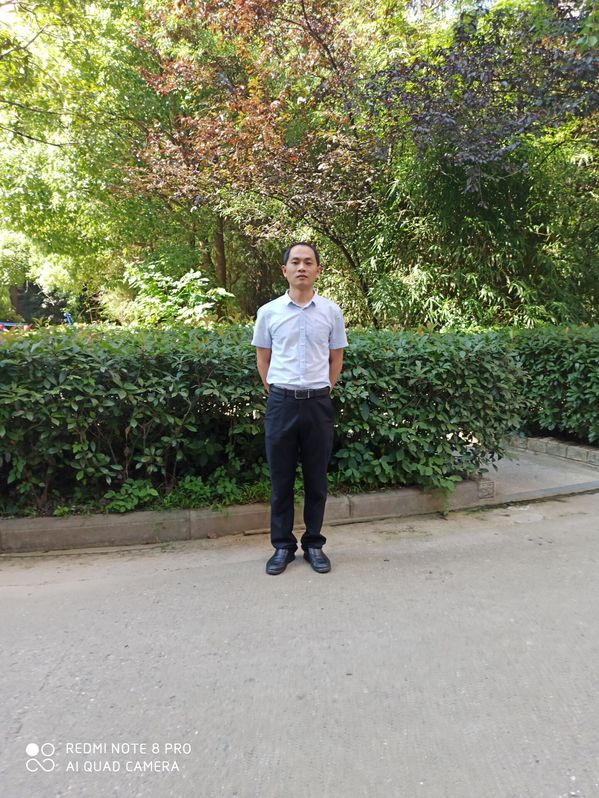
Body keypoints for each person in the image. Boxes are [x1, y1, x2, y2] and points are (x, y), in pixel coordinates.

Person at [252, 242, 348, 575]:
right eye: (295, 262)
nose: (302, 267)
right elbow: (262, 358)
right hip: (281, 403)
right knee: (281, 480)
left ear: (318, 270)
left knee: (316, 479)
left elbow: (336, 358)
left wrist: (325, 388)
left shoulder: (331, 312)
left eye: (308, 262)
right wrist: (276, 389)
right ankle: (282, 546)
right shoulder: (269, 312)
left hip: (318, 405)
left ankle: (314, 544)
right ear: (285, 270)